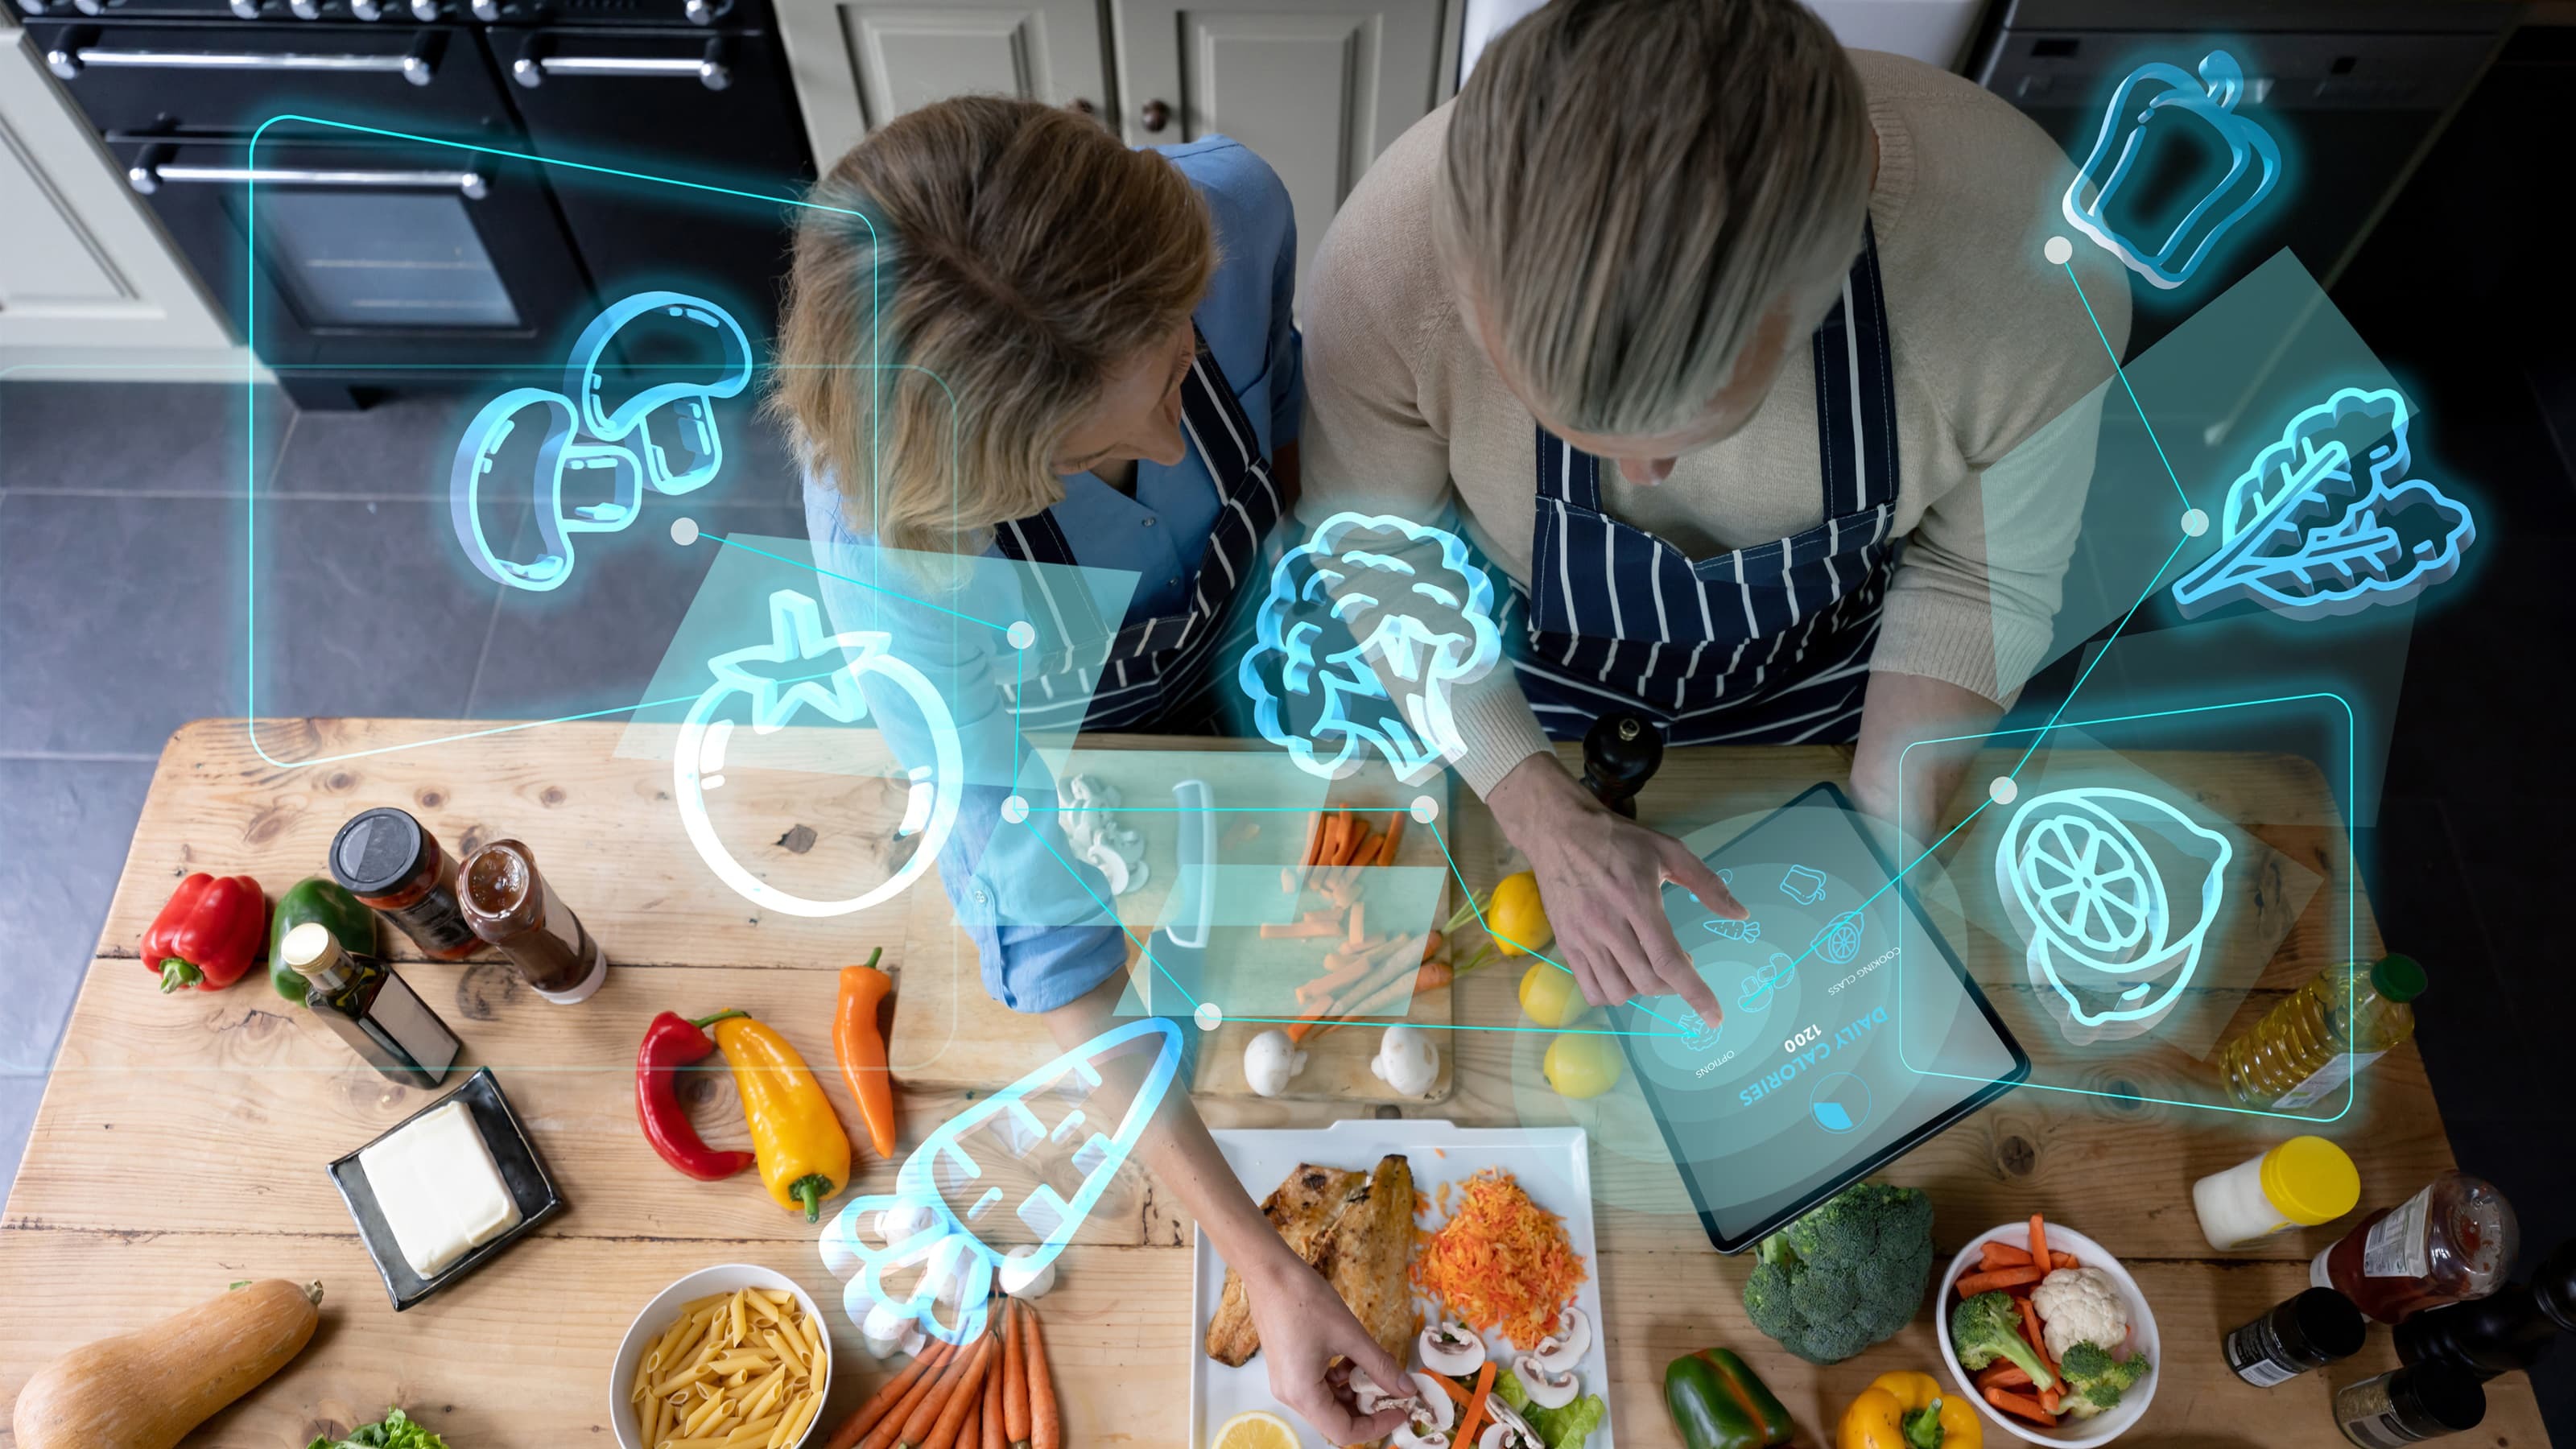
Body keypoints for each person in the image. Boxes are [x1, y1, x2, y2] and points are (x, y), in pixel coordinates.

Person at [772, 98, 1409, 1443]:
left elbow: (1286, 432)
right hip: (1074, 738)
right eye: (1087, 461)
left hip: (1255, 641)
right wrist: (1264, 1261)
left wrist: (1305, 639)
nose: (1178, 450)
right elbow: (1050, 928)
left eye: (1181, 367)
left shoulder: (1230, 207)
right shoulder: (896, 560)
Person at [1301, 0, 2126, 1022]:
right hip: (1510, 669)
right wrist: (1535, 805)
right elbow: (1383, 556)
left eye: (1683, 435)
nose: (1641, 483)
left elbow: (1978, 577)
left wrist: (1880, 846)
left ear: (1820, 283)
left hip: (1832, 679)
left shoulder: (2032, 275)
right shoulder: (1388, 265)